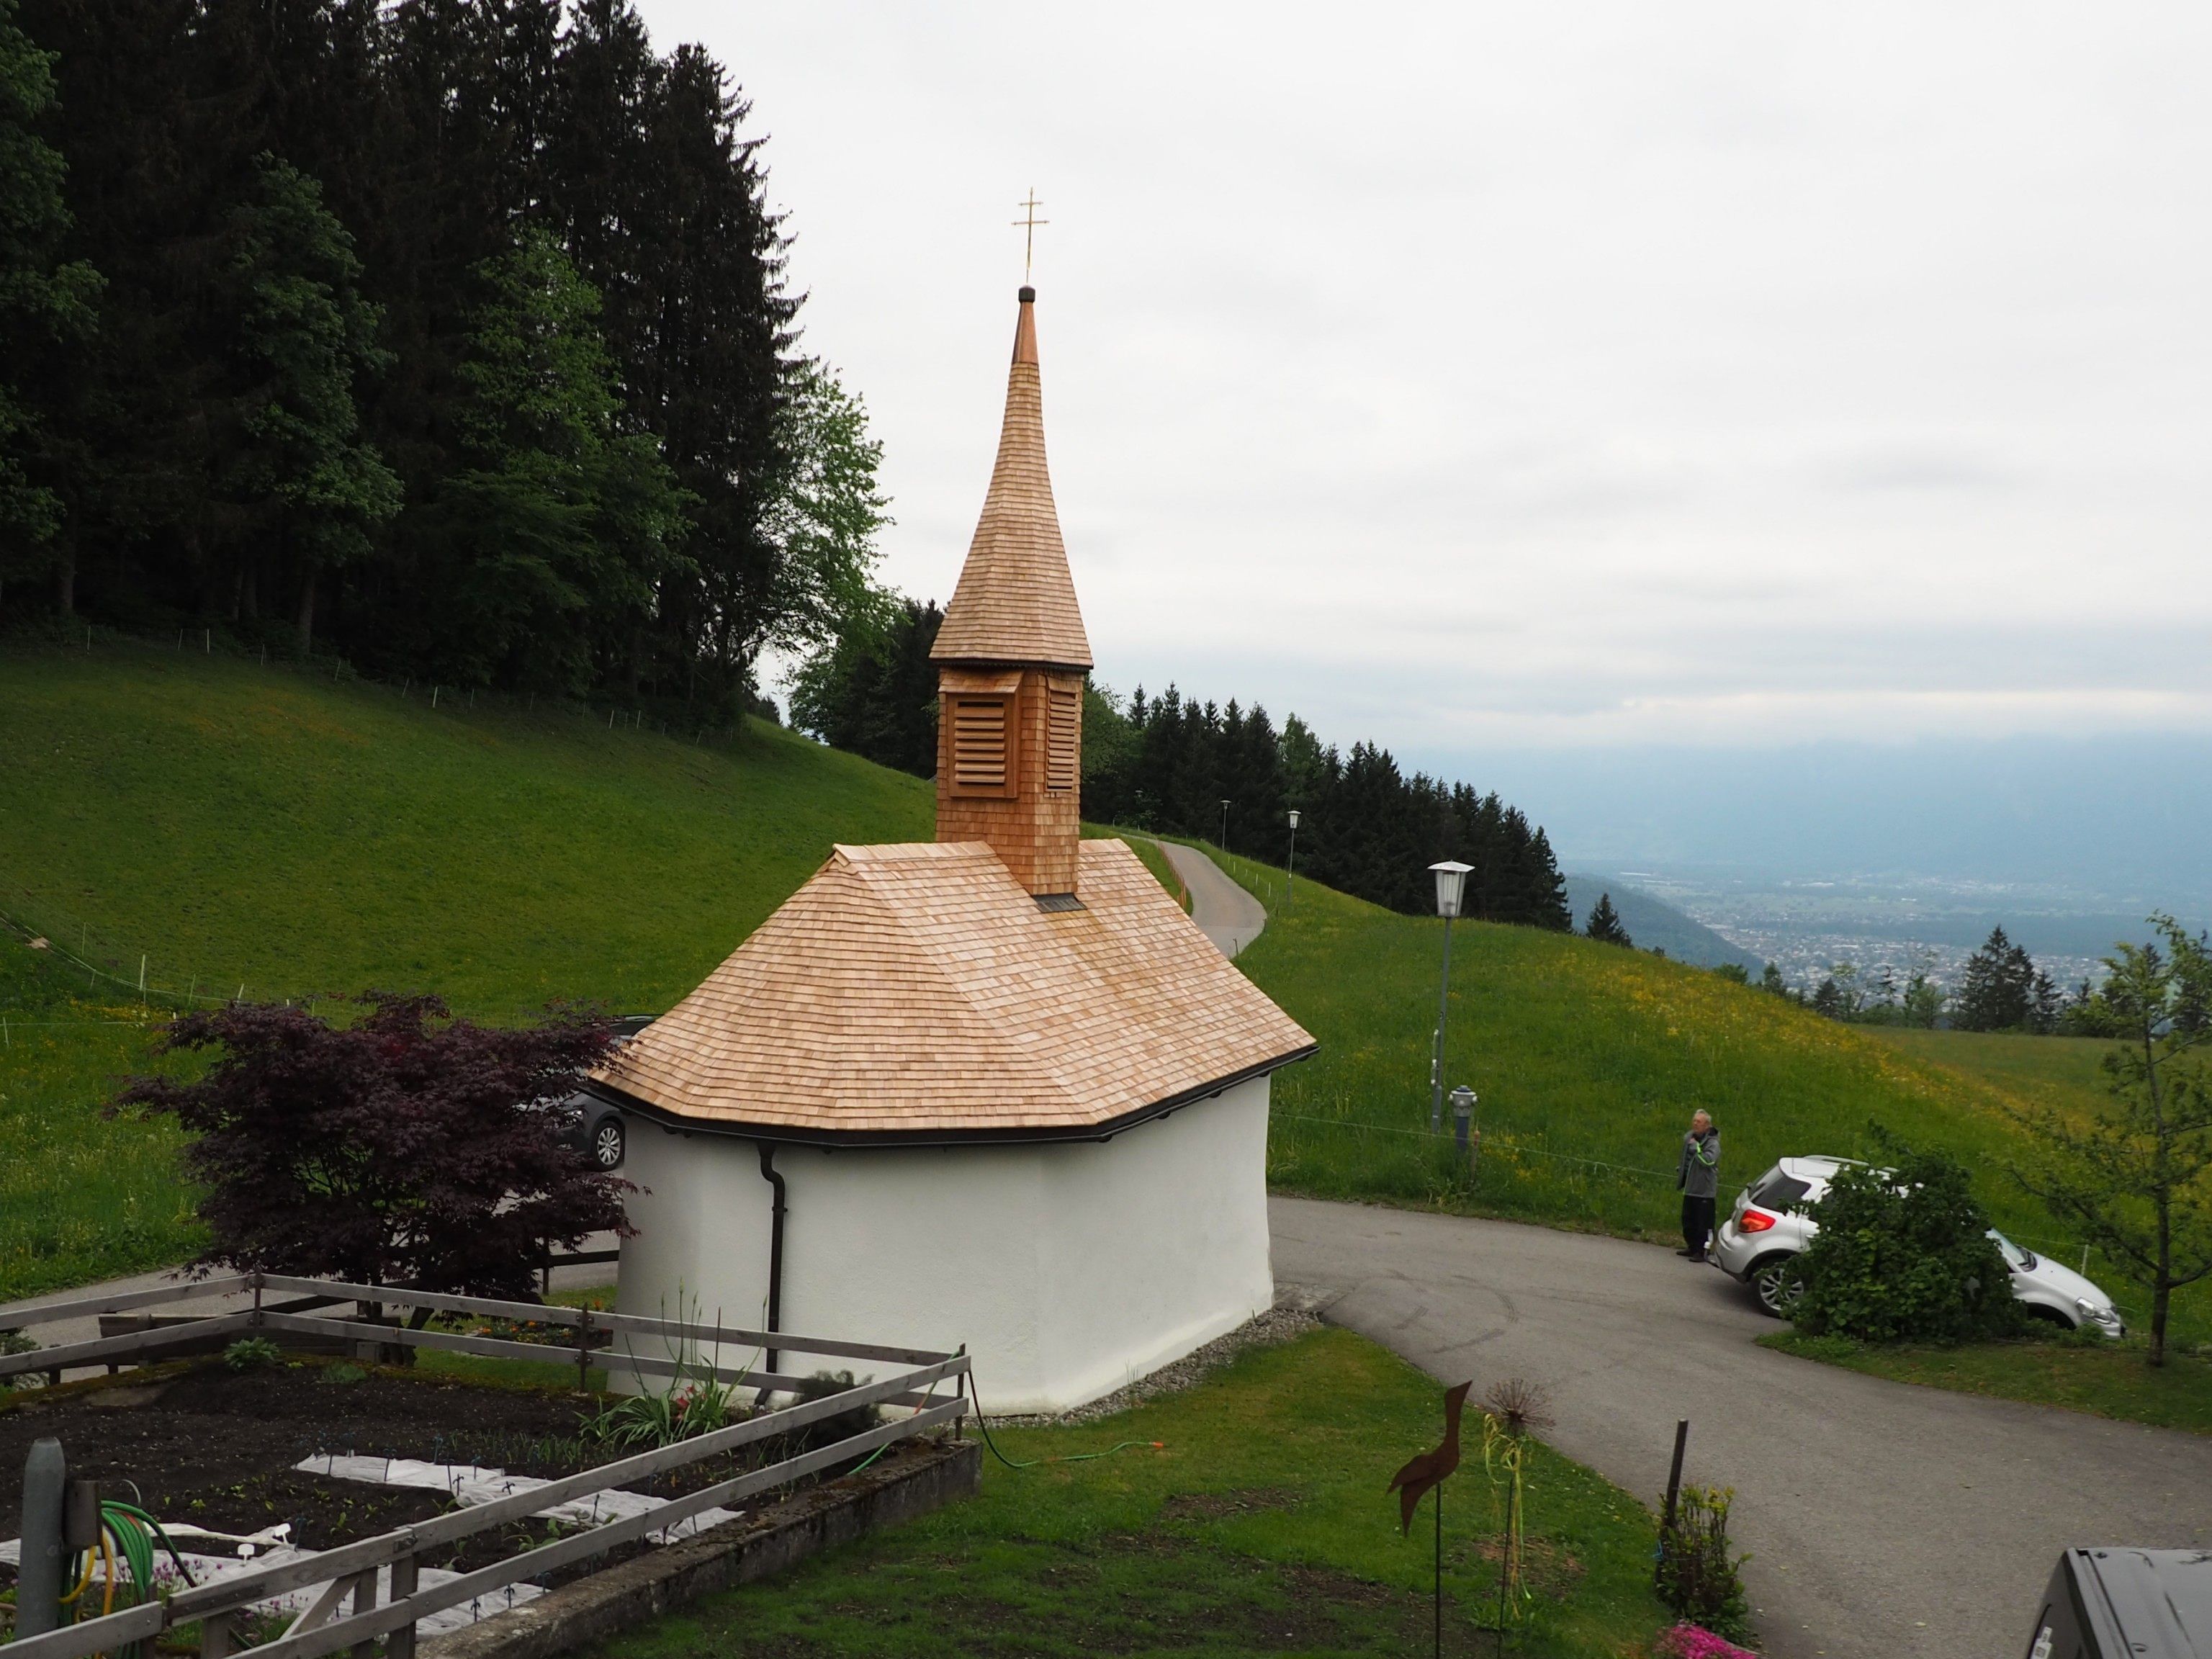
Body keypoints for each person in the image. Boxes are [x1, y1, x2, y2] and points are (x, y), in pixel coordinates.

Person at [1676, 1110, 1721, 1261]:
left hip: (1704, 1192)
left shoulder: (1713, 1143)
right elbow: (1686, 1159)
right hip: (1690, 1189)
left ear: (1707, 1126)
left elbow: (1708, 1161)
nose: (1695, 1124)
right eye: (1694, 1121)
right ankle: (1692, 1247)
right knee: (1688, 1221)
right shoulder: (1689, 1138)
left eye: (1699, 1122)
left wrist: (1697, 1149)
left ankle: (1702, 1251)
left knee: (1704, 1224)